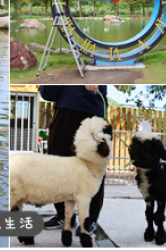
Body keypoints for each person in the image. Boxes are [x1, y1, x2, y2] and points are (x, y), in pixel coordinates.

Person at [38, 85, 109, 236]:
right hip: (65, 104)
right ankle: (64, 216)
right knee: (56, 162)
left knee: (94, 167)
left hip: (93, 106)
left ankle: (89, 219)